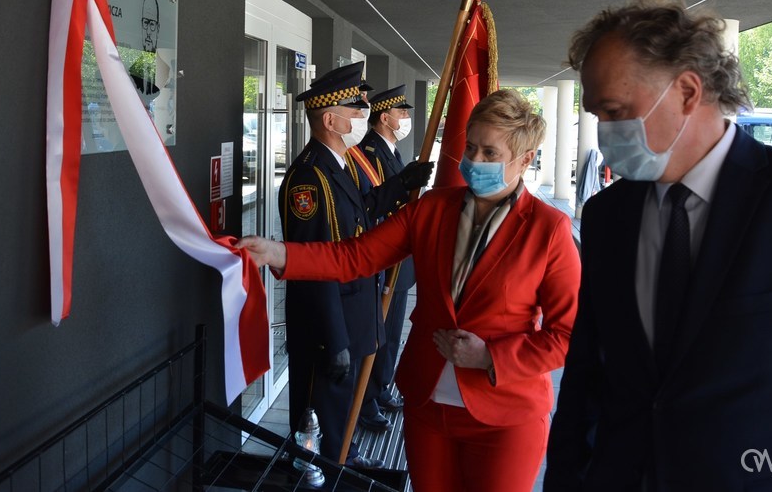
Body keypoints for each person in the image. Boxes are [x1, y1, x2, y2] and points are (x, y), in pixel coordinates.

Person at [544, 0, 772, 491]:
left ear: (688, 92)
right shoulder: (607, 215)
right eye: (596, 114)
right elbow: (587, 373)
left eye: (615, 111)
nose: (603, 132)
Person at [240, 89, 581, 491]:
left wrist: (491, 356)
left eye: (490, 153)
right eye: (471, 147)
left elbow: (567, 335)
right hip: (427, 406)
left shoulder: (548, 229)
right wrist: (279, 252)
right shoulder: (433, 208)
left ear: (525, 160)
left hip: (506, 418)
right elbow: (355, 257)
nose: (474, 161)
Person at [278, 62, 396, 468]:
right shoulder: (309, 178)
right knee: (320, 416)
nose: (363, 116)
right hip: (329, 325)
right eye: (355, 110)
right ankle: (326, 470)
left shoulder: (340, 164)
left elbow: (361, 211)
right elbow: (315, 264)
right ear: (330, 120)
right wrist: (335, 339)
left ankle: (344, 458)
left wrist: (403, 184)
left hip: (352, 310)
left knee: (340, 409)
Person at [356, 84, 418, 433]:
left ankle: (380, 388)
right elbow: (377, 205)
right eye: (401, 112)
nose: (406, 118)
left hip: (400, 259)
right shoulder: (369, 153)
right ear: (384, 118)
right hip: (385, 258)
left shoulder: (391, 150)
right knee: (377, 334)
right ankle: (366, 400)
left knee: (392, 332)